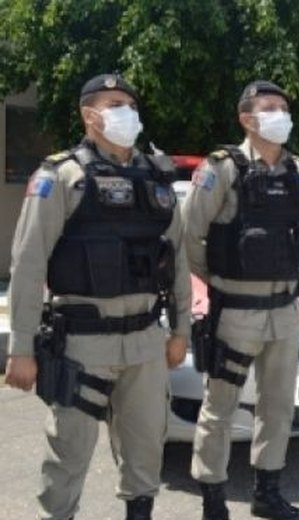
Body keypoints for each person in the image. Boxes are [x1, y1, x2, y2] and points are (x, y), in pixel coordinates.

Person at [4, 74, 191, 520]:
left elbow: (178, 260)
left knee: (146, 447)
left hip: (146, 338)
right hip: (82, 343)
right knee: (68, 452)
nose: (126, 111)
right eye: (114, 103)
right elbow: (28, 266)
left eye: (130, 103)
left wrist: (181, 330)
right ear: (90, 114)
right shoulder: (62, 176)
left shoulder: (157, 178)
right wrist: (21, 349)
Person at [183, 81, 299, 520]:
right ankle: (214, 500)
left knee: (277, 407)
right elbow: (189, 236)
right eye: (270, 108)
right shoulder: (221, 168)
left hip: (286, 311)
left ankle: (267, 493)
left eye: (285, 108)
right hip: (236, 310)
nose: (282, 115)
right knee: (219, 407)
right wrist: (220, 278)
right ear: (247, 119)